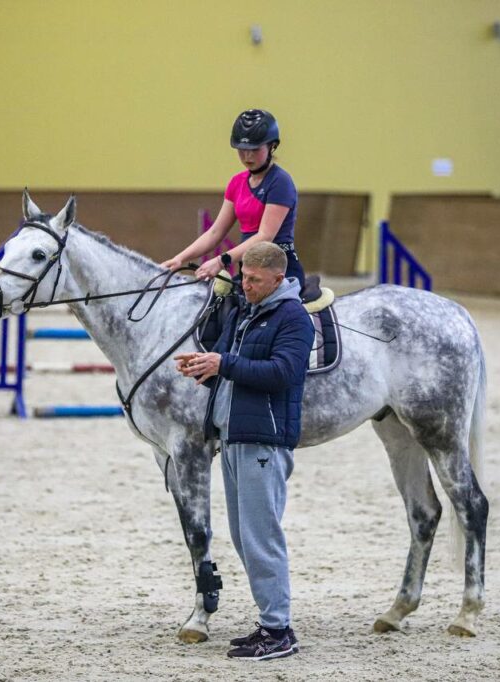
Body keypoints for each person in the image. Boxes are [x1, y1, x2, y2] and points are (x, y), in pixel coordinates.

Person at [174, 242, 314, 661]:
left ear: (277, 279)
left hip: (263, 440)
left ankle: (279, 630)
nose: (245, 285)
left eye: (253, 280)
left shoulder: (293, 317)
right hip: (234, 435)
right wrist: (204, 368)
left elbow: (283, 373)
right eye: (243, 277)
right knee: (244, 537)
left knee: (261, 537)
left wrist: (224, 365)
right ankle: (270, 624)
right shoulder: (244, 310)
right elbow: (230, 364)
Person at [161, 109, 305, 285]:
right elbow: (215, 232)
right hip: (249, 269)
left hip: (279, 271)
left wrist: (221, 261)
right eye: (242, 150)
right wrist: (180, 258)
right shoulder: (237, 183)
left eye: (254, 149)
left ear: (272, 146)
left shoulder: (280, 182)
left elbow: (264, 236)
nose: (247, 156)